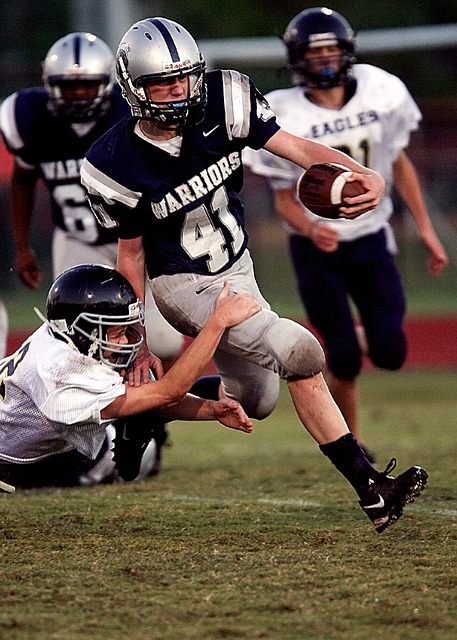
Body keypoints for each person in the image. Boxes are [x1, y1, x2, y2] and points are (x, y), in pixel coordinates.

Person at [80, 17, 428, 533]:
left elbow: (301, 150)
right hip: (182, 284)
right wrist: (136, 343)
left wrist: (362, 173)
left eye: (184, 77)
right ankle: (370, 487)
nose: (178, 91)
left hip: (238, 269)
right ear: (135, 87)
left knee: (257, 399)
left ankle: (146, 413)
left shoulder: (226, 100)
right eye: (162, 82)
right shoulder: (112, 161)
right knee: (300, 350)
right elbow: (130, 256)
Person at [244, 7, 448, 461]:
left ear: (348, 51)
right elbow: (282, 201)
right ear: (297, 58)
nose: (324, 60)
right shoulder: (284, 112)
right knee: (342, 360)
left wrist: (426, 229)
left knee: (391, 352)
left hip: (372, 241)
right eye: (314, 53)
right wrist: (311, 226)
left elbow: (399, 163)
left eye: (331, 50)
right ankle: (353, 447)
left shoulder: (381, 91)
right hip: (316, 252)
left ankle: (354, 335)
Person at [0, 32, 184, 370]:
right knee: (80, 337)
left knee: (164, 340)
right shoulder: (30, 117)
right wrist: (22, 245)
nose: (79, 95)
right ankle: (99, 415)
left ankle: (156, 413)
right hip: (77, 240)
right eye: (69, 87)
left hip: (139, 239)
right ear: (49, 84)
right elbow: (23, 180)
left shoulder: (130, 113)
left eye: (87, 85)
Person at [0, 263, 259, 494]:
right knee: (95, 465)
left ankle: (134, 423)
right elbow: (169, 392)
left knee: (138, 395)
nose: (125, 341)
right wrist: (218, 322)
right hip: (14, 457)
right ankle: (133, 428)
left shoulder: (60, 339)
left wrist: (212, 410)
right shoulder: (63, 372)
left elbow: (158, 396)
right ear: (81, 332)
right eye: (117, 333)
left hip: (24, 449)